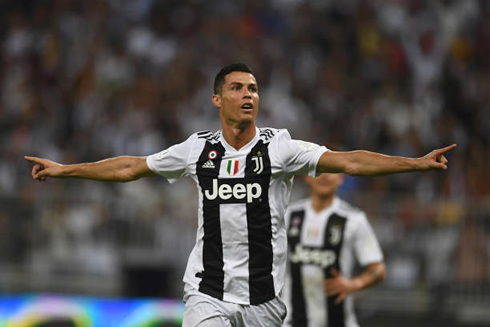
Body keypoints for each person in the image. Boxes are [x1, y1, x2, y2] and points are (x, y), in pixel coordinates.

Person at [25, 63, 456, 327]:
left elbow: (350, 162)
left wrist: (414, 163)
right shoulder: (197, 149)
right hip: (206, 290)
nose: (248, 94)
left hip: (264, 299)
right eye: (237, 88)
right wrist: (66, 170)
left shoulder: (280, 148)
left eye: (253, 89)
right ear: (217, 98)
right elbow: (131, 167)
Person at [283, 172, 385, 327]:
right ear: (306, 176)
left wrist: (353, 285)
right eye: (318, 171)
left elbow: (378, 269)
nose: (324, 177)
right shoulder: (288, 215)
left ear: (341, 177)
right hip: (292, 320)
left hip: (339, 321)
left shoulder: (353, 219)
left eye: (331, 171)